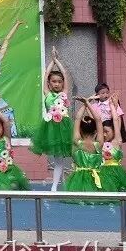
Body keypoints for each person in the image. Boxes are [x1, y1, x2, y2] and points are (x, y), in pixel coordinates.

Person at [30, 57, 73, 191]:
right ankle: (56, 184)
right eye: (54, 81)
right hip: (50, 129)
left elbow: (64, 73)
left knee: (63, 157)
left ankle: (59, 184)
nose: (57, 84)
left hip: (64, 128)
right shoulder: (47, 94)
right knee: (56, 158)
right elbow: (45, 75)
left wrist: (56, 61)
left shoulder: (64, 93)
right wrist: (51, 62)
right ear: (49, 83)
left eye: (59, 82)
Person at [61, 99, 107, 201]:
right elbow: (98, 120)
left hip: (78, 180)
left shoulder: (77, 142)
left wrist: (84, 104)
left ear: (80, 130)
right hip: (96, 179)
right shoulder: (99, 144)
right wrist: (88, 103)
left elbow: (77, 119)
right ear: (95, 131)